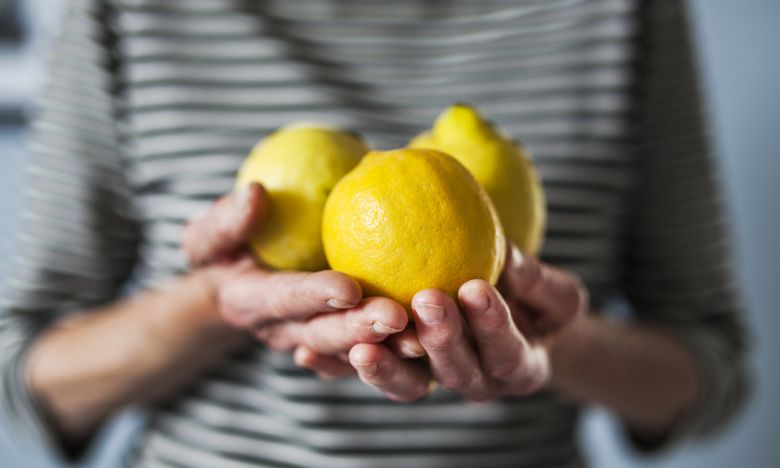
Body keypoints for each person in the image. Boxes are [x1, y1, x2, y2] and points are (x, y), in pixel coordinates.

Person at [0, 1, 749, 467]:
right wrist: (220, 304)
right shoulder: (130, 10)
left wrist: (563, 347)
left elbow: (711, 371)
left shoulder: (620, 11)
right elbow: (23, 377)